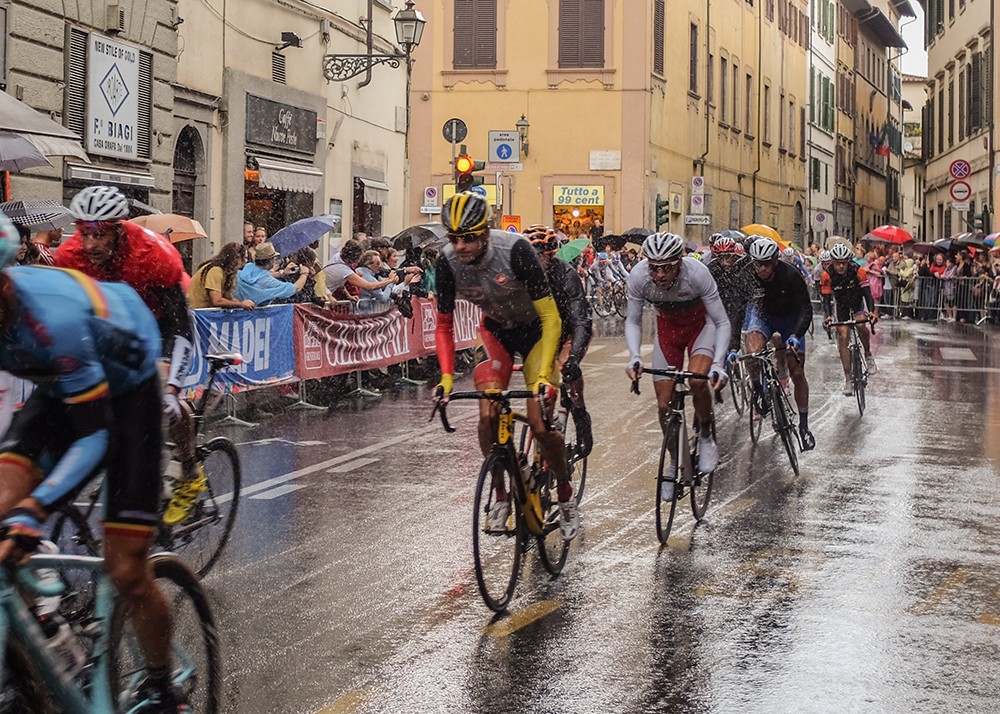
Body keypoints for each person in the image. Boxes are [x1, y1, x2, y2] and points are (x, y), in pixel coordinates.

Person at [0, 212, 188, 711]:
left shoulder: (51, 318)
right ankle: (40, 634)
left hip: (129, 396)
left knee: (125, 570)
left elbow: (95, 439)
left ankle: (162, 683)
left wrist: (33, 511)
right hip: (62, 384)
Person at [433, 193, 579, 541]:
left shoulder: (515, 250)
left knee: (541, 425)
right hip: (495, 331)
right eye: (454, 238)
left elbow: (550, 317)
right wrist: (447, 379)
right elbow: (443, 326)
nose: (461, 246)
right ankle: (500, 493)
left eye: (468, 237)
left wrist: (543, 377)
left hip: (537, 333)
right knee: (487, 415)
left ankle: (564, 490)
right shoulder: (446, 261)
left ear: (485, 232)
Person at [55, 185, 203, 526]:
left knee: (161, 394)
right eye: (84, 233)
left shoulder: (155, 252)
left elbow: (180, 327)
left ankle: (190, 470)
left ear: (118, 229)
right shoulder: (69, 257)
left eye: (99, 235)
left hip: (163, 325)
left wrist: (171, 390)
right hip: (115, 327)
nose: (90, 244)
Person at [625, 232, 730, 501]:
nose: (660, 275)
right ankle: (675, 459)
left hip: (701, 328)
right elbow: (633, 321)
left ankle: (706, 434)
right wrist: (635, 356)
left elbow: (721, 322)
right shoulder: (638, 277)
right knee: (664, 405)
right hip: (668, 332)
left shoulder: (698, 274)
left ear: (680, 262)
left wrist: (718, 363)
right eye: (654, 268)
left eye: (667, 268)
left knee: (697, 380)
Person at [525, 225, 594, 457]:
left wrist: (573, 357)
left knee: (566, 368)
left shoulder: (566, 275)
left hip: (569, 330)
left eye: (536, 257)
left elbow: (580, 321)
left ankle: (581, 418)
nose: (530, 262)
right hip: (543, 334)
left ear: (551, 255)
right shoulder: (522, 273)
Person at [743, 236, 815, 450]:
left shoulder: (791, 274)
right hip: (763, 317)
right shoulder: (747, 274)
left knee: (798, 372)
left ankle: (803, 426)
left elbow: (806, 309)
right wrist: (732, 344)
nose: (761, 268)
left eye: (766, 263)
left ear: (775, 260)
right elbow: (737, 307)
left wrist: (796, 334)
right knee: (753, 352)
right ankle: (758, 390)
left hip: (790, 319)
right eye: (757, 263)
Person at [821, 243, 877, 396]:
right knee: (843, 336)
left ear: (848, 261)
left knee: (860, 325)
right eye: (837, 262)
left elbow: (867, 293)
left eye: (844, 262)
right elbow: (826, 299)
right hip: (841, 308)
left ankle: (867, 354)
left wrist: (871, 312)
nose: (840, 266)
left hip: (857, 303)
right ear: (832, 261)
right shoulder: (827, 275)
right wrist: (828, 317)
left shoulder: (857, 271)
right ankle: (848, 379)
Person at [707, 235, 752, 367]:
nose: (725, 262)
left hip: (743, 302)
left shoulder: (744, 264)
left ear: (735, 255)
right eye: (721, 258)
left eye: (728, 257)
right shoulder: (712, 268)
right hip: (723, 303)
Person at [322, 239, 397, 303]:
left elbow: (340, 283)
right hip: (322, 294)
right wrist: (390, 281)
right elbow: (369, 286)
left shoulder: (338, 256)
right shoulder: (343, 269)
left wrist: (349, 296)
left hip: (325, 290)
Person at [236, 242, 307, 307]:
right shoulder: (269, 282)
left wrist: (282, 273)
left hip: (233, 313)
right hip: (252, 316)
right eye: (275, 258)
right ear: (271, 259)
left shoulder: (246, 267)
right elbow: (296, 288)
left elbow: (259, 276)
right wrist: (304, 273)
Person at [188, 243, 254, 310]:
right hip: (196, 312)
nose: (246, 261)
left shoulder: (224, 271)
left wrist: (244, 303)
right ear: (237, 258)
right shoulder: (216, 271)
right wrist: (240, 304)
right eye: (245, 258)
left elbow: (228, 297)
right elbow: (217, 301)